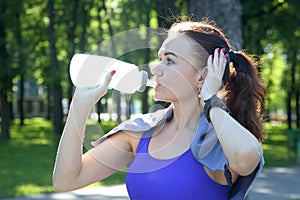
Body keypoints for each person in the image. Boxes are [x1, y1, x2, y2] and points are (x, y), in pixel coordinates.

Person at [53, 19, 266, 200]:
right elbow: (66, 180)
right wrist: (79, 107)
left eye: (170, 61)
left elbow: (247, 158)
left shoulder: (221, 141)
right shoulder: (139, 133)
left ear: (202, 76)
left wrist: (211, 101)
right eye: (159, 58)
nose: (155, 69)